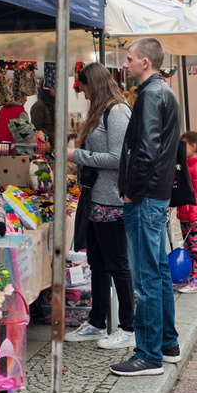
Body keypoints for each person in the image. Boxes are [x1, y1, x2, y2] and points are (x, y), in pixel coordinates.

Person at [112, 37, 181, 377]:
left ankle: (149, 354)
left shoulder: (152, 95)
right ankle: (167, 344)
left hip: (146, 197)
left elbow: (148, 150)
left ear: (145, 62)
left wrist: (131, 191)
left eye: (128, 59)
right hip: (155, 194)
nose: (124, 64)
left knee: (146, 277)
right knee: (159, 272)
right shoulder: (161, 92)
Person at [64, 63, 136, 349]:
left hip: (112, 202)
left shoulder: (117, 112)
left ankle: (128, 328)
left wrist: (78, 155)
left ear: (92, 84)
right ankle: (97, 322)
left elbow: (118, 158)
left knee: (118, 265)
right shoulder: (103, 110)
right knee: (98, 263)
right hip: (95, 200)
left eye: (83, 88)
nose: (82, 93)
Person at [176, 131, 197, 293]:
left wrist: (194, 217)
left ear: (193, 146)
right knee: (188, 248)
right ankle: (188, 277)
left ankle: (196, 280)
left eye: (184, 145)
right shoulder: (187, 165)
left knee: (195, 249)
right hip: (185, 214)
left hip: (192, 217)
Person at [31, 83, 56, 148]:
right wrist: (53, 137)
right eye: (52, 87)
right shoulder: (38, 107)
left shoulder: (54, 105)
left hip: (54, 147)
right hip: (44, 149)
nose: (55, 89)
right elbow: (37, 129)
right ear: (45, 89)